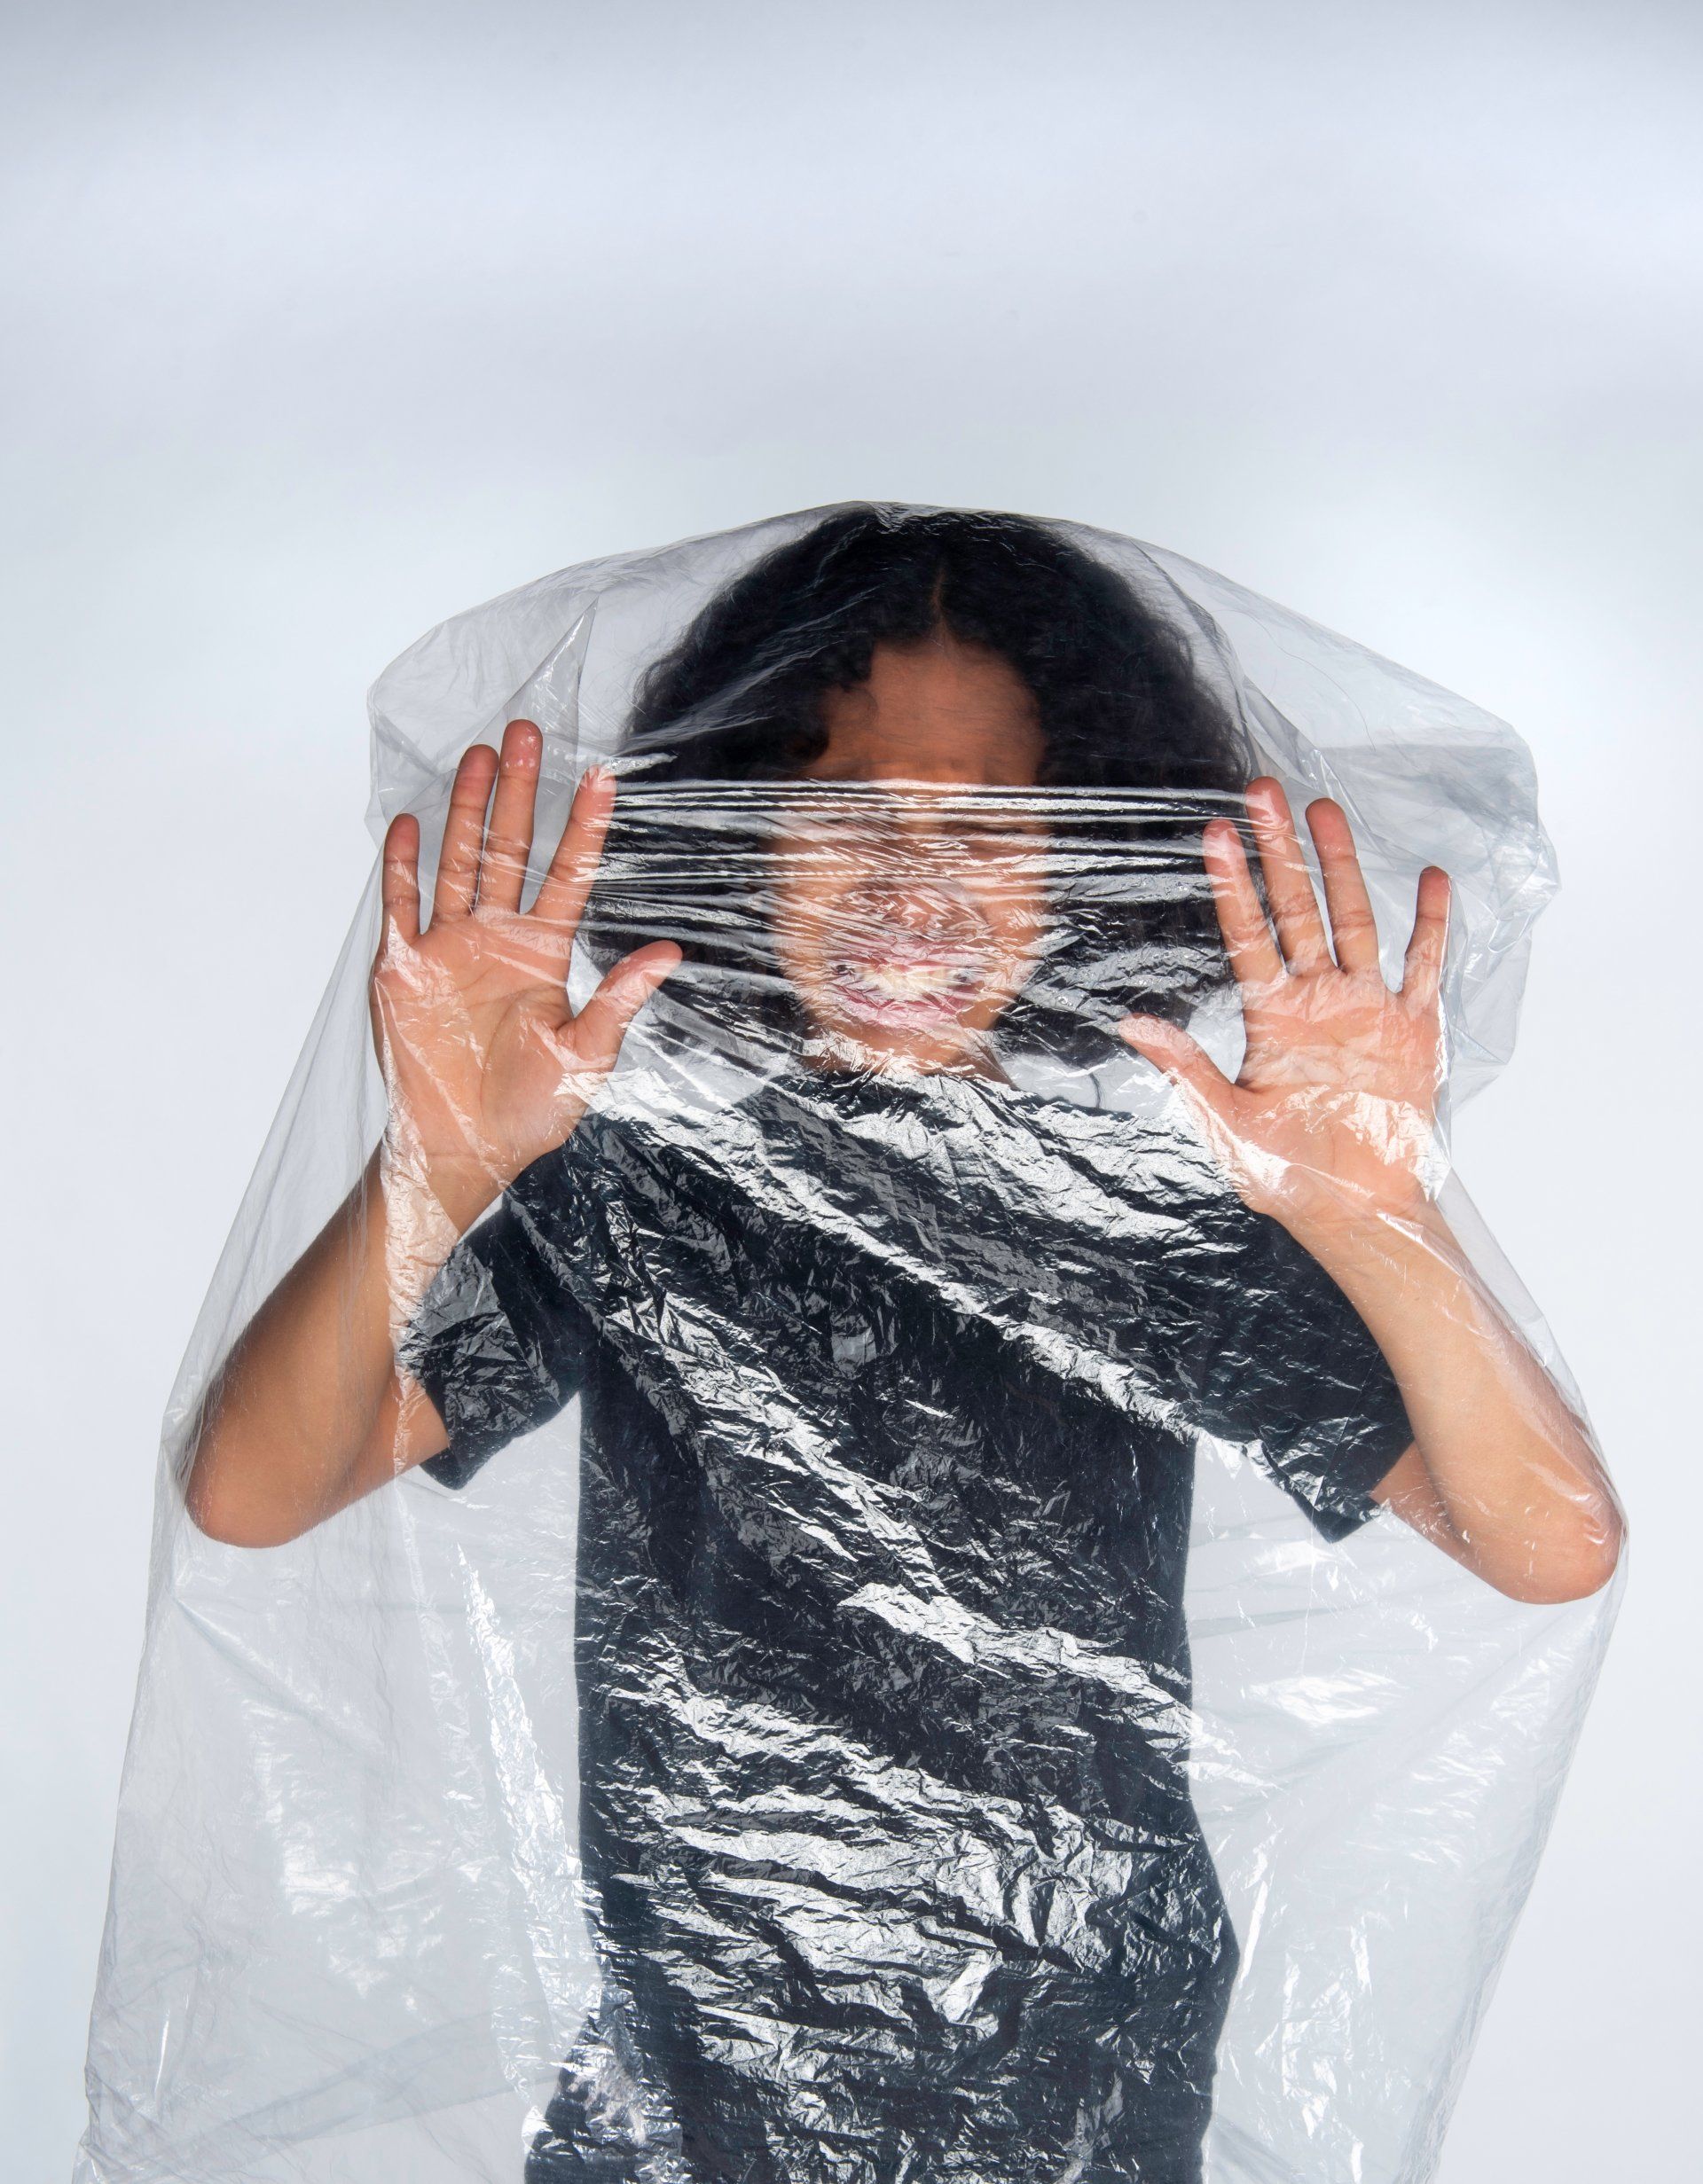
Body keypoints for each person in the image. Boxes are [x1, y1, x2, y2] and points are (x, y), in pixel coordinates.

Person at [185, 508, 1621, 2184]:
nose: (913, 884)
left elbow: (1549, 1545)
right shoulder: (645, 1194)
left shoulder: (1145, 1227)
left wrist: (1377, 1212)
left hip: (1079, 2099)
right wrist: (433, 1169)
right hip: (694, 2091)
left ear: (1092, 858)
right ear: (737, 835)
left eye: (994, 825)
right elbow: (253, 1491)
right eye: (850, 811)